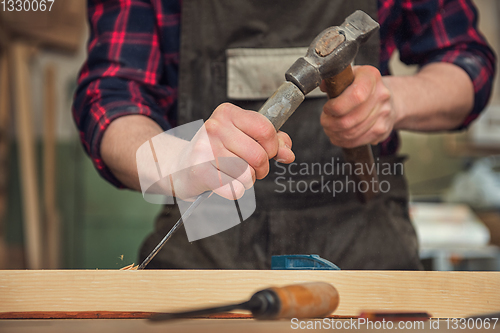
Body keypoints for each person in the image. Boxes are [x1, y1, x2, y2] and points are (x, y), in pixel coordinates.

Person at [73, 0, 496, 270]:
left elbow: (467, 61)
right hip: (207, 239)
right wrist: (177, 163)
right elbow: (109, 96)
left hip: (365, 238)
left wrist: (395, 99)